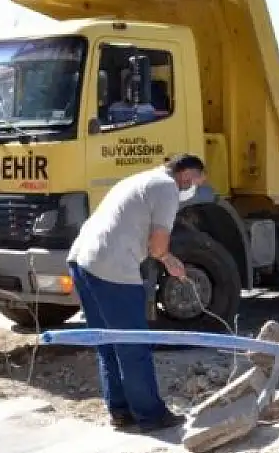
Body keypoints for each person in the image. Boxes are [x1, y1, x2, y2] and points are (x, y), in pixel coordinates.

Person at [65, 153, 206, 432]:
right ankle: (151, 416)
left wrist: (166, 259)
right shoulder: (167, 189)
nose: (195, 189)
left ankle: (121, 411)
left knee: (107, 342)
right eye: (198, 182)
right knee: (134, 345)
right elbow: (157, 246)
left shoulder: (140, 178)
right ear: (186, 176)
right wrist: (170, 260)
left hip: (81, 260)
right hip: (111, 267)